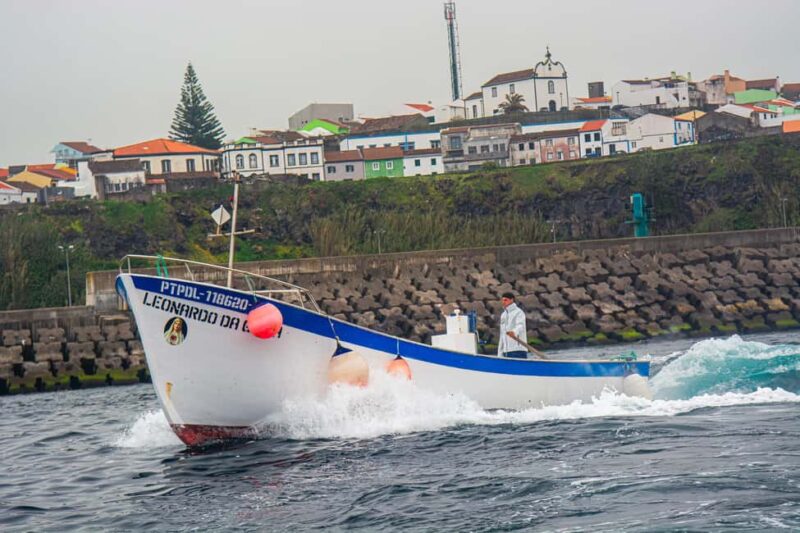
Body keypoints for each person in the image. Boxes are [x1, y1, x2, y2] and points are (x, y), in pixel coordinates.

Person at [497, 292, 528, 359]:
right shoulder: (503, 315)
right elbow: (502, 335)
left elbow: (520, 326)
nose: (503, 302)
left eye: (505, 300)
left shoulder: (519, 312)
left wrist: (514, 332)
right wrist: (499, 353)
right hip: (506, 351)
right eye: (502, 300)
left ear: (512, 300)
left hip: (518, 350)